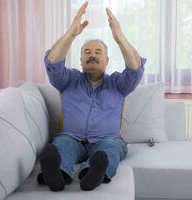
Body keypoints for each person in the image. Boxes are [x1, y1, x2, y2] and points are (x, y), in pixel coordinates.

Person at [40, 1, 146, 191]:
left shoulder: (119, 84)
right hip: (72, 138)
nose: (92, 55)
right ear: (80, 60)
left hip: (107, 139)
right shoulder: (68, 80)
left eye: (98, 52)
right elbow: (53, 63)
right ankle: (56, 174)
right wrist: (71, 33)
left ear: (106, 60)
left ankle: (92, 174)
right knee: (61, 145)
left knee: (110, 150)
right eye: (87, 52)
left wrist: (120, 38)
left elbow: (136, 68)